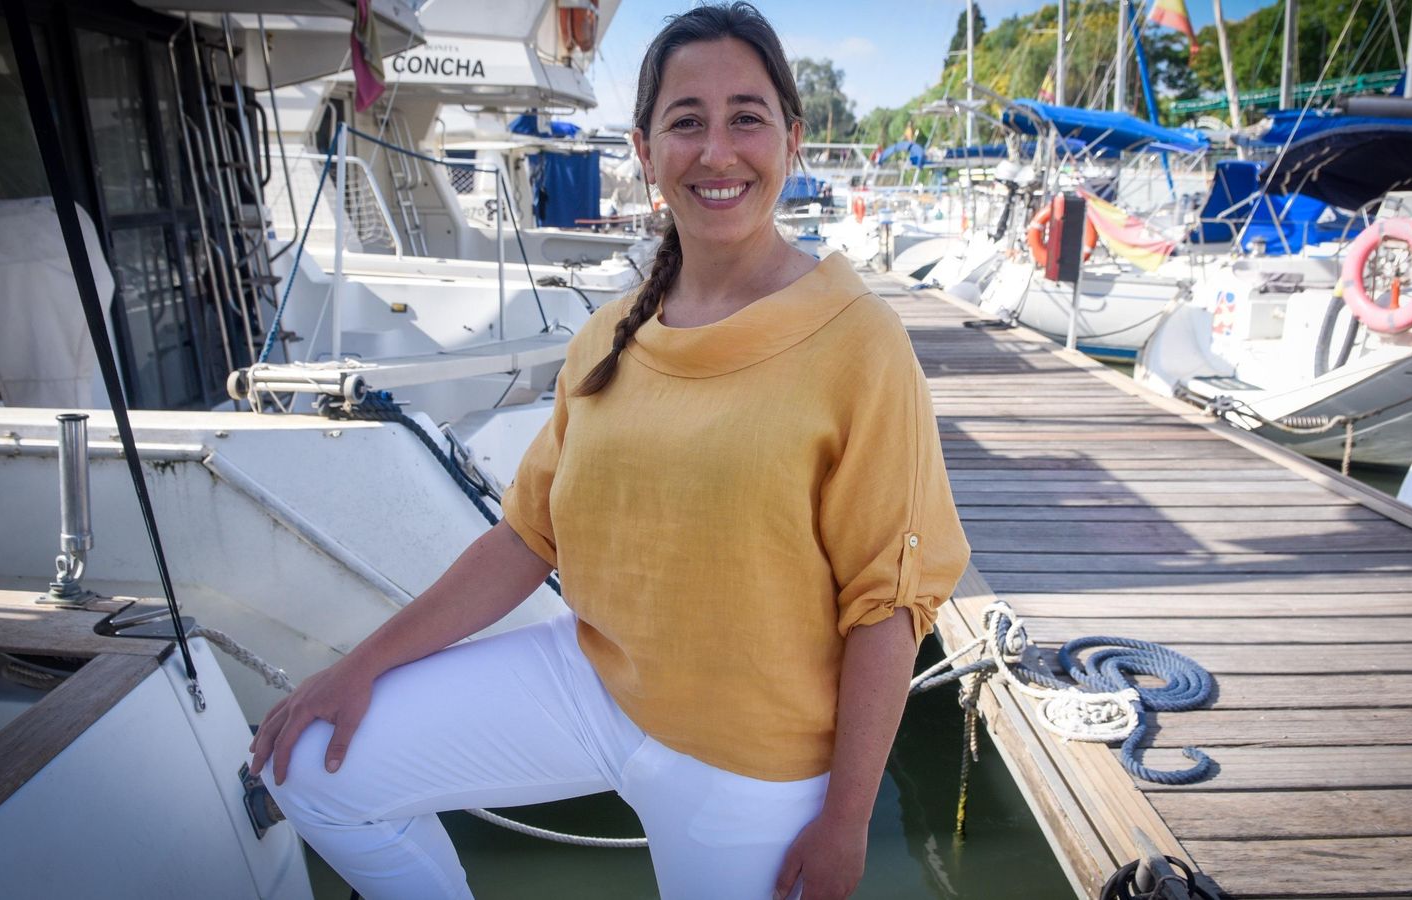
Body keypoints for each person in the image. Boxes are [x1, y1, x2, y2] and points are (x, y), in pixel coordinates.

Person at [250, 4, 969, 898]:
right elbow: (523, 540)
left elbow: (887, 606)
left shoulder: (860, 342)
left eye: (746, 117)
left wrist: (847, 820)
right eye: (686, 122)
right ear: (642, 147)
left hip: (750, 762)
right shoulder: (605, 339)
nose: (716, 151)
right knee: (314, 769)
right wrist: (360, 666)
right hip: (595, 684)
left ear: (791, 139)